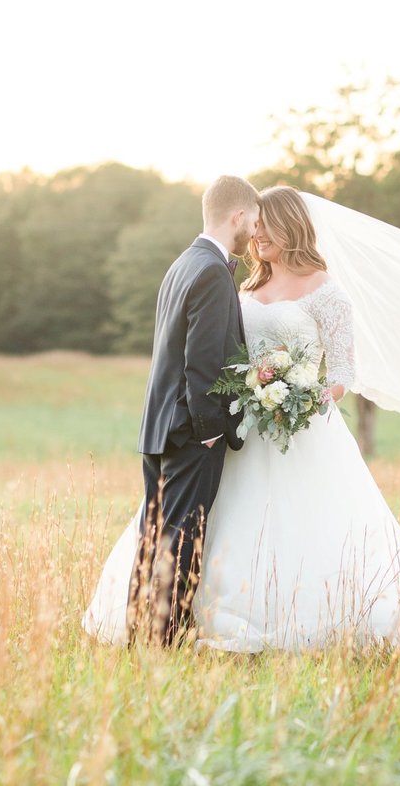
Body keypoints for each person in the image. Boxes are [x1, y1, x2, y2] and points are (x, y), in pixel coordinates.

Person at [84, 186, 400, 669]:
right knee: (206, 521)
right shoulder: (244, 288)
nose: (257, 237)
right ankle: (197, 620)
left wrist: (299, 394)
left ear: (289, 225)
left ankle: (301, 619)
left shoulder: (326, 291)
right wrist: (251, 394)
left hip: (302, 432)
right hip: (244, 432)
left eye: (265, 226)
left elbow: (340, 375)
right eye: (254, 226)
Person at [125, 174, 260, 646]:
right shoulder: (212, 271)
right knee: (182, 542)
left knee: (154, 539)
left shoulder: (184, 263)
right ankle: (164, 644)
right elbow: (200, 361)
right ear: (237, 216)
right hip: (190, 433)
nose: (255, 233)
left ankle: (140, 635)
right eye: (254, 220)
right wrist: (209, 429)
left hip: (159, 428)